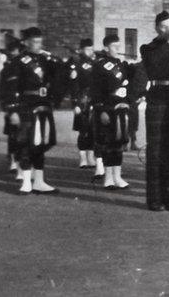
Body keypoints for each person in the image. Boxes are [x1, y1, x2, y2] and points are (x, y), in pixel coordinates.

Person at [140, 11, 169, 212]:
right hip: (157, 99)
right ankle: (154, 199)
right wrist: (168, 43)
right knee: (155, 151)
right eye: (165, 27)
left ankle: (168, 197)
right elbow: (154, 63)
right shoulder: (149, 48)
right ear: (157, 28)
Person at [9, 27, 60, 195]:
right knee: (26, 143)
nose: (38, 45)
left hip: (43, 106)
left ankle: (39, 181)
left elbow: (60, 73)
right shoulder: (18, 61)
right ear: (26, 43)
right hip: (26, 106)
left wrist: (54, 58)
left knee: (41, 144)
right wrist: (13, 110)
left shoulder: (45, 60)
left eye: (40, 41)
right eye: (35, 42)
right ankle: (25, 181)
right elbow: (11, 88)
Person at [91, 35, 133, 190]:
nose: (118, 49)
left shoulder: (122, 65)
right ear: (107, 48)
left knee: (119, 143)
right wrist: (101, 110)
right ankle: (108, 178)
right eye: (114, 46)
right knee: (108, 144)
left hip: (120, 110)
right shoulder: (99, 66)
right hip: (107, 110)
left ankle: (118, 176)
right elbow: (95, 91)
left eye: (118, 46)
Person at [67, 38, 99, 172]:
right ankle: (82, 157)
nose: (90, 51)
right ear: (81, 50)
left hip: (93, 99)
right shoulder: (76, 63)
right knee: (83, 129)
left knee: (92, 129)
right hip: (82, 100)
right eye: (87, 49)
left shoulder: (95, 62)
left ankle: (90, 156)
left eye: (91, 49)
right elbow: (74, 85)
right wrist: (75, 103)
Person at [0, 38, 24, 180]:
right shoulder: (7, 69)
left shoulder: (22, 66)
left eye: (16, 52)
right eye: (12, 52)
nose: (14, 54)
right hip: (12, 105)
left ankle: (20, 162)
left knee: (22, 134)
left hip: (22, 104)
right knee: (13, 135)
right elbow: (3, 89)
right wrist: (6, 107)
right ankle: (13, 160)